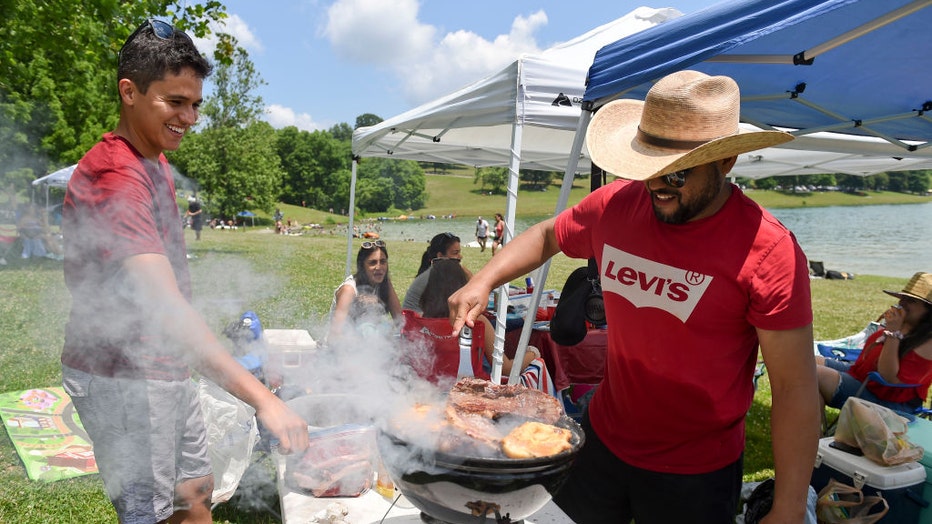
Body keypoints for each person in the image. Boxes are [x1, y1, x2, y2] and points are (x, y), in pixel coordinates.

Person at [447, 70, 819, 523]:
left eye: (677, 174)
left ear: (725, 164)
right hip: (604, 437)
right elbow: (548, 235)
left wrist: (790, 507)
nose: (658, 185)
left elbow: (794, 387)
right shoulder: (617, 206)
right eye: (647, 168)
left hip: (697, 470)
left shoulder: (768, 252)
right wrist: (483, 280)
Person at [60, 19, 308, 524]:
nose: (189, 117)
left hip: (164, 365)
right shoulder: (115, 174)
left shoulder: (153, 160)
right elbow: (164, 307)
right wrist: (264, 399)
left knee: (194, 490)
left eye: (195, 103)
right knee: (149, 511)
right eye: (175, 102)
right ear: (129, 91)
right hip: (121, 376)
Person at [405, 259, 549, 390]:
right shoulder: (474, 320)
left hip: (428, 391)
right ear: (463, 287)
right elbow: (506, 368)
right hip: (471, 391)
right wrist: (533, 353)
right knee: (537, 367)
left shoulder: (419, 322)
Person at [816, 272, 932, 415]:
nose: (902, 303)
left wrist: (892, 333)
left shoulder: (927, 343)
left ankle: (808, 433)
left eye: (911, 301)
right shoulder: (907, 326)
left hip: (888, 403)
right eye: (903, 298)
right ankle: (812, 432)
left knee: (812, 373)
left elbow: (887, 376)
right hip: (863, 378)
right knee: (803, 361)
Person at [329, 240, 402, 341]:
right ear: (362, 266)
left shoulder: (385, 284)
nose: (379, 267)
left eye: (383, 262)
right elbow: (335, 334)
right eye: (373, 263)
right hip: (343, 350)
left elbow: (400, 321)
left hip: (375, 344)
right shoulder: (349, 290)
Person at [402, 232, 471, 313]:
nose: (460, 256)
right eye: (455, 253)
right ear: (440, 256)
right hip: (416, 321)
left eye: (459, 252)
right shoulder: (438, 275)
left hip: (419, 319)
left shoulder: (437, 271)